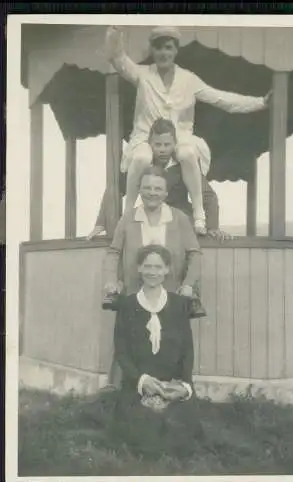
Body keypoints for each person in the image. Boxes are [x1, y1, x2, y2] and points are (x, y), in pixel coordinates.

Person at [104, 25, 271, 235]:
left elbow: (222, 99)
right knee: (140, 159)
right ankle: (128, 214)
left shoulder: (188, 79)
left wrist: (261, 102)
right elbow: (117, 58)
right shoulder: (143, 74)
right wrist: (116, 28)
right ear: (152, 51)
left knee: (188, 153)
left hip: (179, 139)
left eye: (168, 48)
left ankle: (199, 215)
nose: (163, 53)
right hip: (146, 139)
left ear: (175, 50)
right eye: (158, 48)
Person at [111, 244, 204, 455]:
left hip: (172, 384)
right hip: (138, 384)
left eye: (158, 267)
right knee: (141, 436)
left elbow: (187, 350)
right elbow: (121, 352)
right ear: (139, 269)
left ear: (167, 270)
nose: (153, 272)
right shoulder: (126, 305)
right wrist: (142, 381)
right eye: (148, 266)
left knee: (181, 435)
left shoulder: (179, 304)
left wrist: (184, 386)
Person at [87, 118, 231, 242]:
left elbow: (208, 196)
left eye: (167, 145)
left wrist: (213, 227)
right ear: (150, 144)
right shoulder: (143, 165)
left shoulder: (184, 165)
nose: (162, 150)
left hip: (179, 219)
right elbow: (115, 188)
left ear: (174, 144)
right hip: (151, 219)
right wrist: (101, 223)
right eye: (158, 145)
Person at [103, 165, 201, 299]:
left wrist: (189, 284)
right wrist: (111, 281)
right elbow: (114, 252)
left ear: (166, 193)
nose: (152, 193)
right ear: (139, 190)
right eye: (147, 188)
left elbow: (195, 254)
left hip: (173, 295)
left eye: (158, 189)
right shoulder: (128, 219)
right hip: (134, 295)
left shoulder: (179, 218)